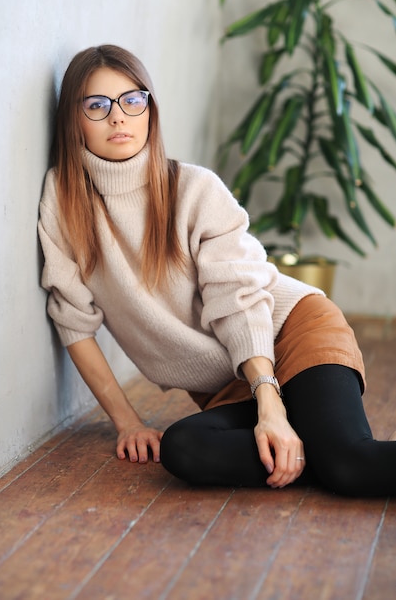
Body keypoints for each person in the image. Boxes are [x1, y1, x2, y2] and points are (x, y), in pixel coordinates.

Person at [38, 44, 396, 498]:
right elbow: (73, 319)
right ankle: (311, 450)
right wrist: (127, 422)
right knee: (183, 448)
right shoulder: (64, 200)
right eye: (97, 105)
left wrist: (270, 403)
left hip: (289, 334)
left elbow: (239, 299)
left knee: (349, 463)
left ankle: (321, 450)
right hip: (228, 386)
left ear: (150, 109)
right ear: (74, 118)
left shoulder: (193, 188)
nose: (118, 117)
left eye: (133, 99)